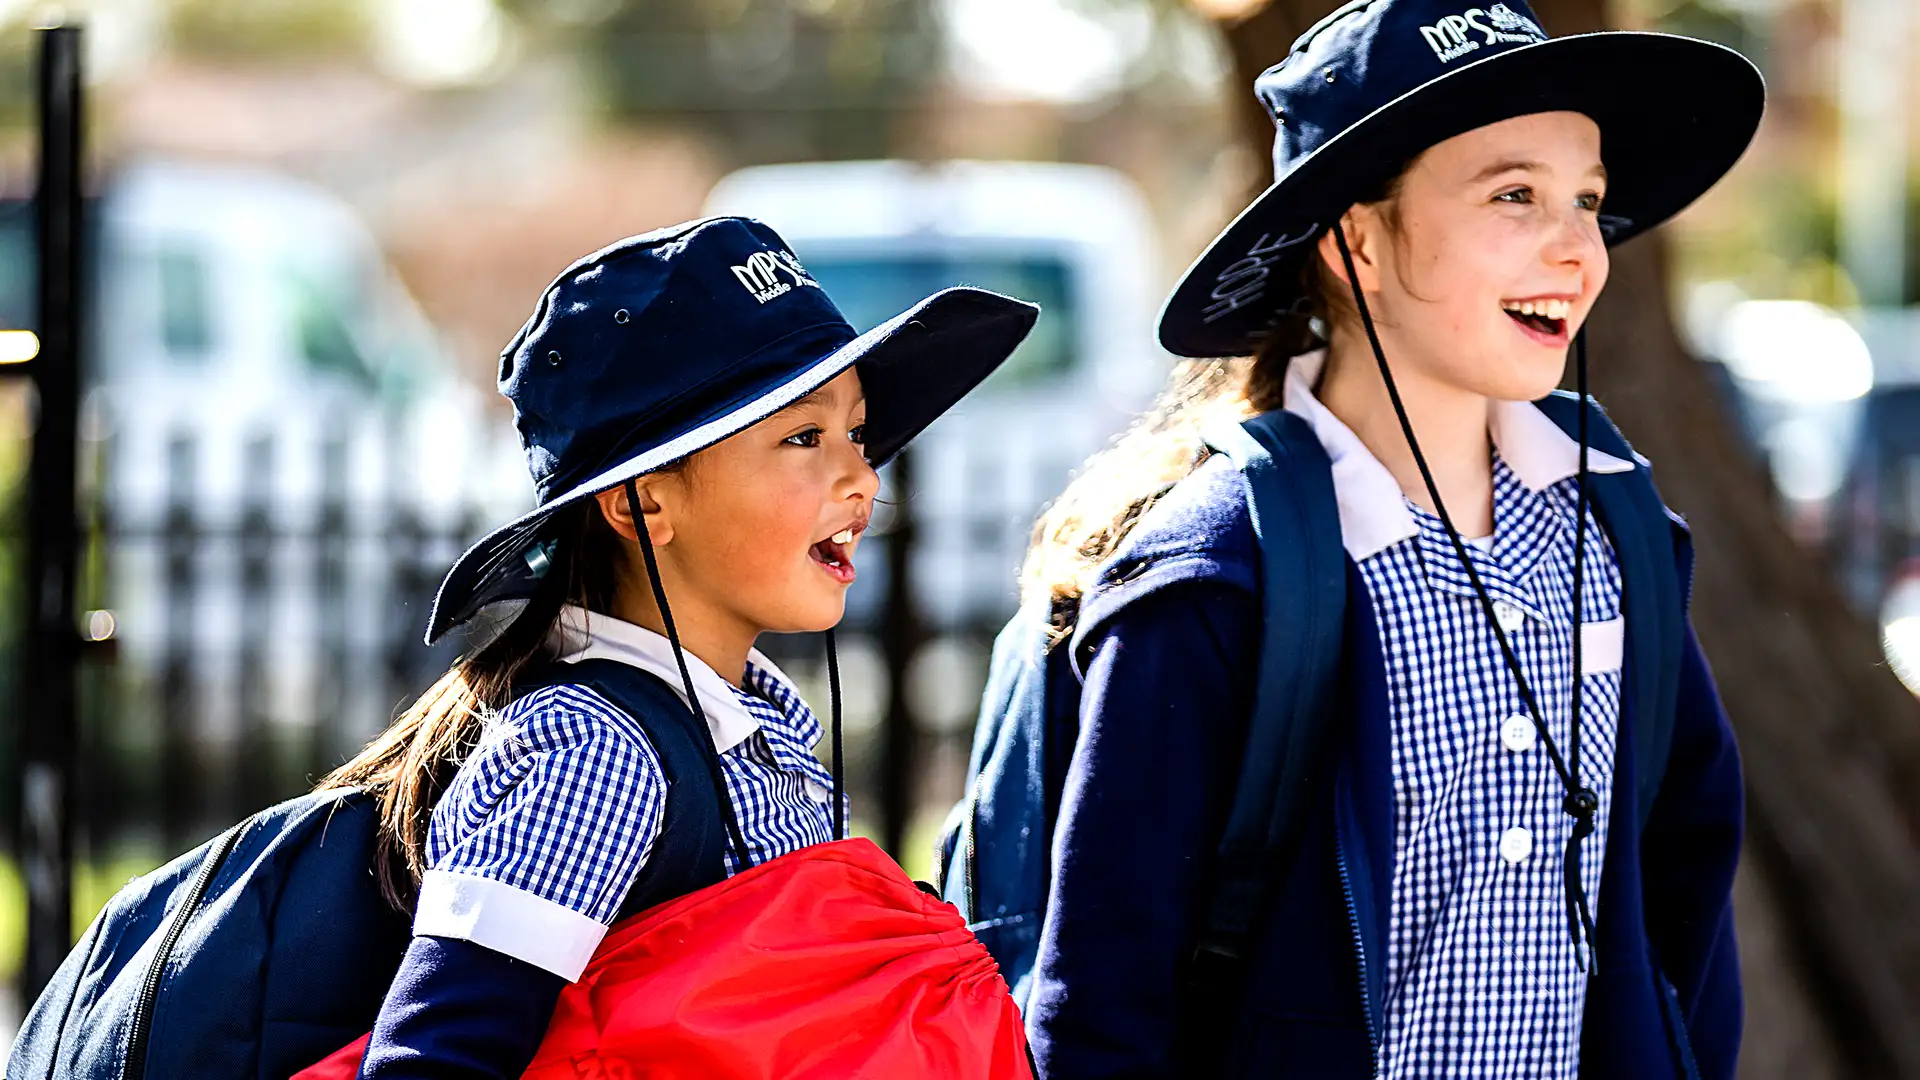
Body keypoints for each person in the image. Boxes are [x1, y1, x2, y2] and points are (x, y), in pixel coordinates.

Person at [1002, 1, 1763, 1076]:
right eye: (1516, 195)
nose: (1578, 248)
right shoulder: (1219, 576)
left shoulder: (1618, 533)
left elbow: (1685, 900)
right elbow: (1101, 1009)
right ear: (1359, 238)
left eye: (1587, 201)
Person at [318, 215, 1036, 1077]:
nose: (861, 476)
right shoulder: (595, 757)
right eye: (804, 438)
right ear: (643, 505)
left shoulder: (760, 731)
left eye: (856, 430)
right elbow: (432, 1063)